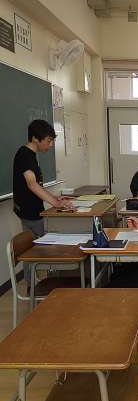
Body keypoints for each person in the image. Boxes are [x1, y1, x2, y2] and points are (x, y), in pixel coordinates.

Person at [13, 119, 73, 283]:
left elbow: (37, 186)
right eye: (48, 140)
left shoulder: (31, 155)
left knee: (33, 248)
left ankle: (32, 283)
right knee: (39, 248)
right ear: (35, 138)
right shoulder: (24, 155)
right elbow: (31, 184)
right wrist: (56, 203)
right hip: (29, 212)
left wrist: (55, 198)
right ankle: (36, 284)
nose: (51, 144)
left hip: (32, 209)